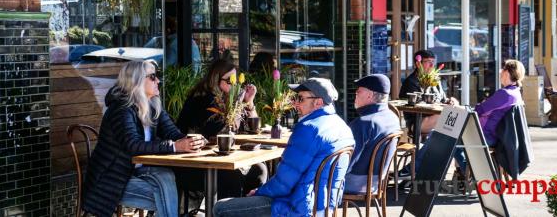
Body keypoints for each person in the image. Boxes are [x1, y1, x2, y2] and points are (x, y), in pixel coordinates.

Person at [212, 77, 355, 217]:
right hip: (326, 206)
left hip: (297, 207)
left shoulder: (309, 129)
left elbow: (284, 183)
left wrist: (259, 192)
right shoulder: (342, 126)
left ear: (318, 102)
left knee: (221, 207)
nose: (295, 104)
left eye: (300, 99)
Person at [82, 60, 203, 217]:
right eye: (153, 77)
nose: (158, 80)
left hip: (139, 170)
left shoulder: (152, 105)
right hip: (112, 179)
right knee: (168, 196)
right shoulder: (121, 109)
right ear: (136, 80)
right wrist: (174, 146)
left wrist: (192, 141)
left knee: (169, 178)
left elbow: (174, 134)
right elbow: (133, 146)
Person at [406, 59, 526, 176]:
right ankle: (471, 173)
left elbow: (480, 110)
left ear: (507, 72)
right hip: (492, 134)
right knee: (448, 138)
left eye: (502, 69)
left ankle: (412, 169)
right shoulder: (515, 93)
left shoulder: (505, 94)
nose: (500, 72)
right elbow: (485, 109)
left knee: (439, 134)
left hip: (483, 134)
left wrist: (461, 107)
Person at [176, 59, 267, 210]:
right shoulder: (203, 99)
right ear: (215, 80)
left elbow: (252, 129)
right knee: (232, 177)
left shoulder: (226, 100)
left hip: (217, 161)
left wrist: (249, 103)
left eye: (236, 81)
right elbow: (218, 133)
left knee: (259, 170)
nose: (235, 85)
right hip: (193, 163)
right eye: (230, 81)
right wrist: (237, 104)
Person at [345, 74, 400, 194]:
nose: (355, 95)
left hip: (355, 184)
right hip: (377, 183)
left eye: (358, 92)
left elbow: (345, 163)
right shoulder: (393, 117)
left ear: (369, 95)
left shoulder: (363, 123)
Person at [399, 50, 457, 135]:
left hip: (437, 117)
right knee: (448, 116)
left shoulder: (435, 80)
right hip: (418, 122)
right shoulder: (411, 82)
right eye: (428, 62)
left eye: (433, 62)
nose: (432, 65)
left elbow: (443, 99)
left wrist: (450, 101)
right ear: (418, 64)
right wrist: (442, 108)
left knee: (458, 111)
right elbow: (417, 108)